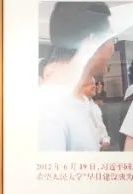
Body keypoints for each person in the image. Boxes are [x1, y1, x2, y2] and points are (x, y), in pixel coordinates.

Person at [37, 2, 116, 151]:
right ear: (92, 41)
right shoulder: (48, 109)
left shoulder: (80, 101)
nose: (113, 47)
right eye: (112, 38)